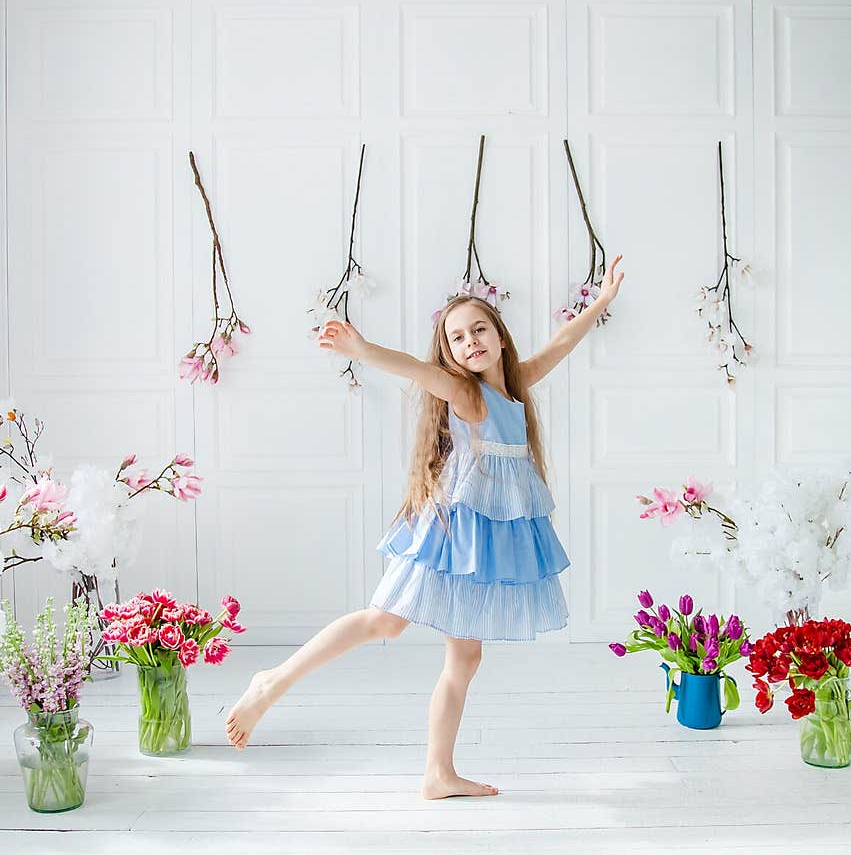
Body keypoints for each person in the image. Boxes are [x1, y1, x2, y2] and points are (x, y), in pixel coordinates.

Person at [225, 255, 625, 798]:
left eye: (479, 329)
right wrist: (363, 351)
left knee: (465, 655)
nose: (470, 342)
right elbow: (418, 369)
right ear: (451, 352)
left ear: (500, 337)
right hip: (451, 535)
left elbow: (562, 343)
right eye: (457, 338)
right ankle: (270, 682)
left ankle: (439, 772)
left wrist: (600, 301)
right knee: (383, 623)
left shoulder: (517, 387)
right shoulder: (465, 394)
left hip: (482, 544)